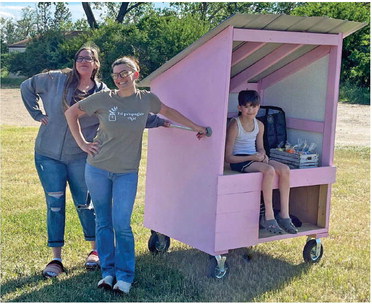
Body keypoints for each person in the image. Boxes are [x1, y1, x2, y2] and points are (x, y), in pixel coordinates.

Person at [20, 45, 168, 279]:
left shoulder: (104, 91)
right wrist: (37, 114)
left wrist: (161, 122)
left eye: (89, 58)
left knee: (86, 205)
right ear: (75, 61)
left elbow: (131, 113)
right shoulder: (55, 79)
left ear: (97, 64)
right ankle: (56, 258)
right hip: (48, 155)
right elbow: (26, 87)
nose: (84, 61)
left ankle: (94, 251)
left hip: (82, 157)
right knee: (55, 205)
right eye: (80, 57)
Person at [65, 56, 207, 294]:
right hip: (97, 168)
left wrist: (195, 127)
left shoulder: (146, 100)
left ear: (136, 74)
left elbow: (168, 111)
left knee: (121, 224)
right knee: (103, 222)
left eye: (124, 73)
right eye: (115, 74)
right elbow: (71, 113)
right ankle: (107, 273)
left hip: (126, 173)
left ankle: (125, 276)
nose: (119, 78)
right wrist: (82, 143)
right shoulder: (103, 98)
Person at [225, 90, 297, 235]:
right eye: (247, 106)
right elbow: (228, 157)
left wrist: (262, 155)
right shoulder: (234, 124)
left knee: (285, 170)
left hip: (255, 158)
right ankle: (268, 216)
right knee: (269, 170)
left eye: (254, 106)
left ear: (259, 107)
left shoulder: (260, 125)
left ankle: (284, 215)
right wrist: (252, 157)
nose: (251, 110)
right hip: (240, 160)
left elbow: (261, 148)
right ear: (239, 108)